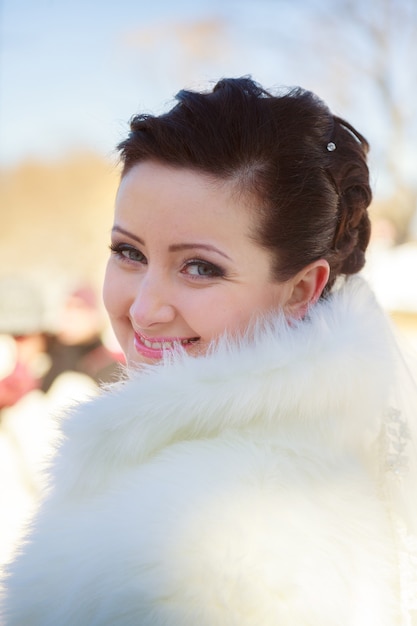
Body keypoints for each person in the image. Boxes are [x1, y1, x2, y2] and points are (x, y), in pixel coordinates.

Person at [1, 77, 416, 625]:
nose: (145, 309)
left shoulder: (213, 544)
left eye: (200, 267)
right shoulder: (298, 455)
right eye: (128, 252)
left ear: (300, 289)